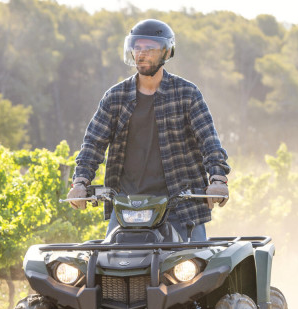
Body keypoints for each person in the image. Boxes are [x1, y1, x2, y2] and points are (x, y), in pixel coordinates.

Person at [66, 18, 230, 241]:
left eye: (150, 48)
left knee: (195, 260)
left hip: (180, 206)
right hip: (127, 207)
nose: (142, 54)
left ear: (166, 52)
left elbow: (209, 142)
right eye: (138, 47)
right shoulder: (115, 97)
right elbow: (93, 145)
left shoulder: (186, 93)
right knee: (111, 260)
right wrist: (80, 183)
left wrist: (218, 179)